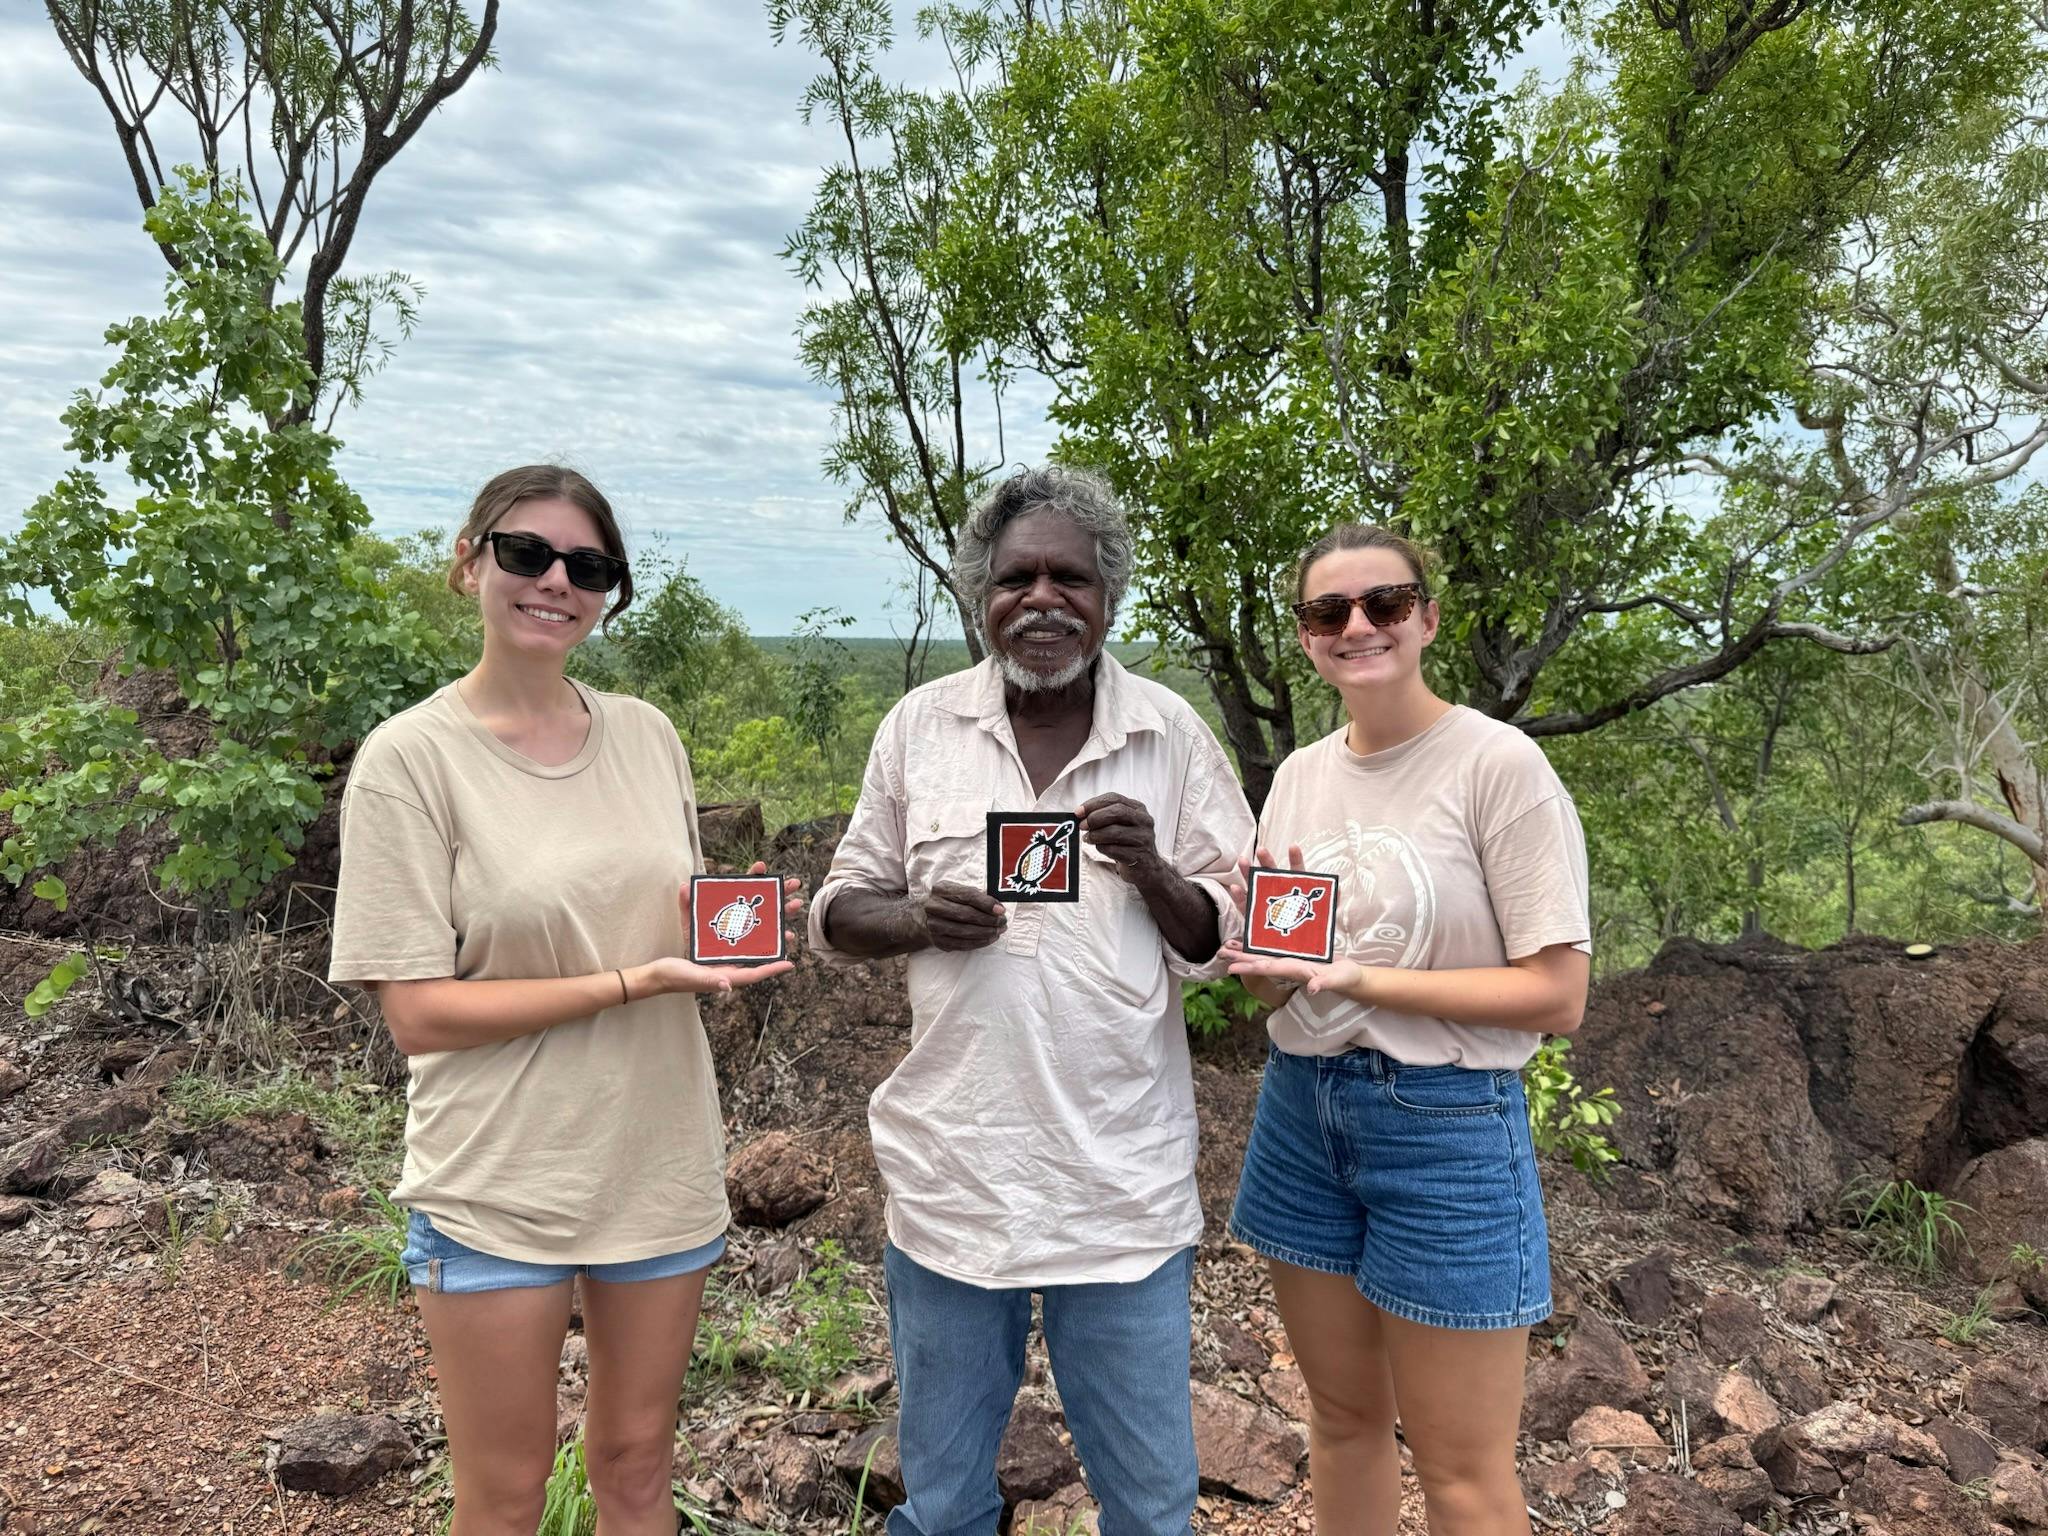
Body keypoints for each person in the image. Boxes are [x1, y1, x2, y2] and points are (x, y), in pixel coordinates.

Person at [328, 465, 799, 1536]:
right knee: (503, 1495)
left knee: (637, 1464)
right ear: (468, 559)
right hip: (499, 1176)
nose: (555, 581)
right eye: (524, 553)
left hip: (653, 1154)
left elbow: (650, 906)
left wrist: (726, 929)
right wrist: (635, 981)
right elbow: (418, 1014)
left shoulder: (646, 733)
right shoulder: (409, 761)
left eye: (587, 566)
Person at [808, 466, 1256, 1536]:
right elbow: (834, 910)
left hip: (1120, 1189)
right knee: (946, 1501)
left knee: (1150, 1510)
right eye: (1017, 579)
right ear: (980, 594)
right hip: (954, 1180)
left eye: (1071, 578)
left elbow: (1223, 937)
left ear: (1108, 597)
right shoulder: (919, 728)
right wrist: (918, 917)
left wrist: (1154, 873)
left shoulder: (1170, 735)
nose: (1042, 600)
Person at [1221, 524, 1591, 1536]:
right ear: (1303, 638)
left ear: (1425, 618)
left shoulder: (1495, 766)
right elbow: (1279, 991)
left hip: (1445, 1122)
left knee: (1460, 1469)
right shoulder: (1298, 774)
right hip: (1301, 1110)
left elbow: (1556, 994)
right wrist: (1259, 968)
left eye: (1382, 604)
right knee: (1340, 1421)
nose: (1355, 627)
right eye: (1326, 612)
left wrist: (1359, 977)